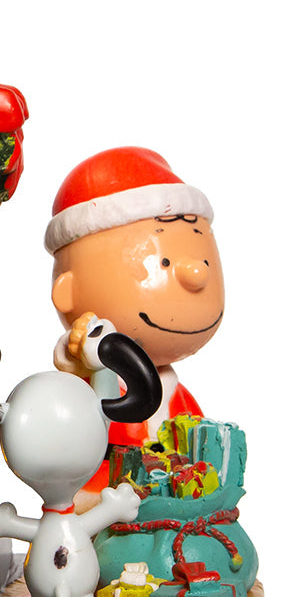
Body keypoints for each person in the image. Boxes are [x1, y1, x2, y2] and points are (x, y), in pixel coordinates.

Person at [46, 147, 225, 502]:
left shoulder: (176, 395)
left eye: (204, 260)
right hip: (103, 493)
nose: (196, 273)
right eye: (164, 262)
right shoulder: (96, 379)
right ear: (67, 290)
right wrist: (77, 356)